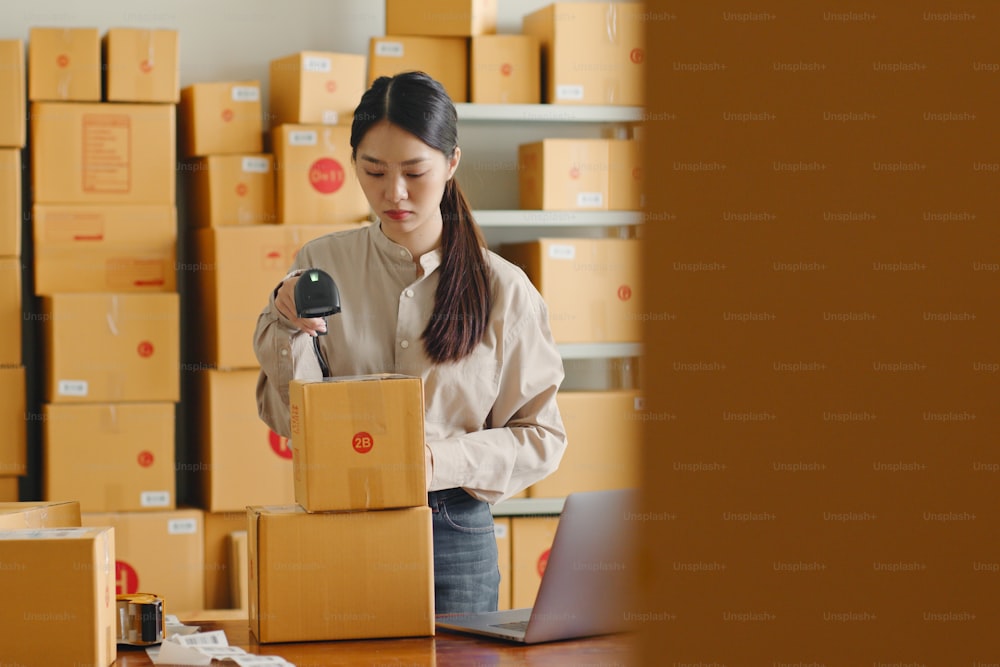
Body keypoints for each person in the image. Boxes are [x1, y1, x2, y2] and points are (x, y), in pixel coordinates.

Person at [253, 71, 567, 614]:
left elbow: (541, 437)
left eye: (414, 172)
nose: (393, 193)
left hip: (454, 529)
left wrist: (431, 462)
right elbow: (289, 421)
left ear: (451, 163)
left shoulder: (503, 288)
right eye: (373, 171)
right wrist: (284, 328)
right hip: (339, 519)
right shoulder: (320, 266)